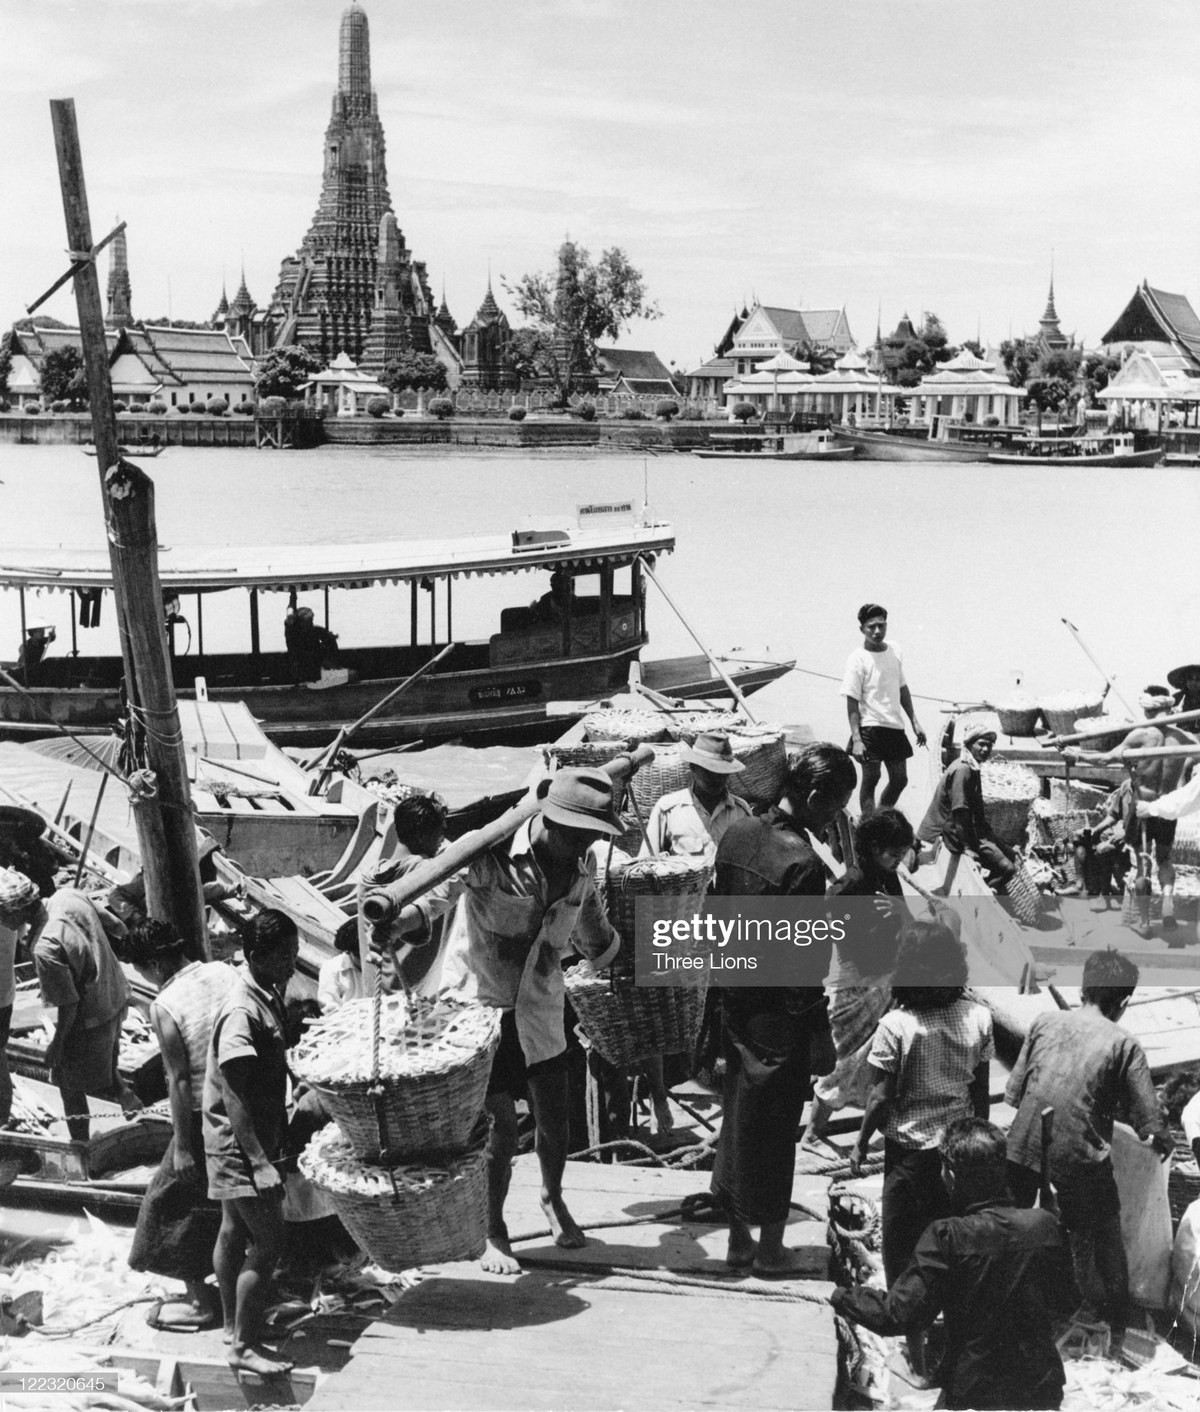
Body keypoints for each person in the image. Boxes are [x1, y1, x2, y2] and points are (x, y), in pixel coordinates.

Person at [370, 769, 623, 1276]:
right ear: (553, 823)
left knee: (556, 1118)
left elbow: (588, 910)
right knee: (500, 1130)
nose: (586, 846)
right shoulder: (490, 854)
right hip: (481, 1009)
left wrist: (609, 951)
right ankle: (493, 1229)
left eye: (593, 837)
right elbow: (439, 894)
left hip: (540, 1005)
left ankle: (552, 1198)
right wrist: (400, 922)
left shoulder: (581, 862)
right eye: (580, 835)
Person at [708, 743, 855, 1276]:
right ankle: (770, 1250)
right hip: (778, 1018)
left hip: (733, 1003)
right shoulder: (803, 863)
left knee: (739, 1118)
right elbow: (806, 964)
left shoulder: (736, 833)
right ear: (815, 797)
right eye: (835, 809)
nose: (835, 820)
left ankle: (737, 1241)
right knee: (774, 1131)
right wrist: (819, 1034)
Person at [832, 1118, 1073, 1411]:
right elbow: (1066, 1303)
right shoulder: (1045, 1225)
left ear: (951, 1176)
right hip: (1041, 1386)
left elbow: (899, 1315)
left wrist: (841, 1296)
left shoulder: (947, 1236)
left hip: (976, 1391)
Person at [1004, 948, 1173, 1353]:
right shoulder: (1124, 1044)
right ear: (1125, 1003)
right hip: (1077, 1161)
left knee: (1009, 1229)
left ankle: (1002, 1311)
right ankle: (1116, 1326)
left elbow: (1015, 1094)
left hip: (1021, 1147)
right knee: (1105, 1237)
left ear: (1082, 988)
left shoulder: (1044, 1021)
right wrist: (1160, 1139)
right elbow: (1149, 1120)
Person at [850, 919, 993, 1380]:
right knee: (951, 1247)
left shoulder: (897, 1025)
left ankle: (917, 1355)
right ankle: (954, 1344)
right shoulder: (979, 1017)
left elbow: (879, 1099)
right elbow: (982, 1092)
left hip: (909, 1156)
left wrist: (858, 1144)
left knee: (905, 1252)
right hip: (958, 1155)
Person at [123, 918, 236, 1332]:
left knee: (167, 1203)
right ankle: (231, 1290)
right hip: (246, 1102)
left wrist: (184, 1144)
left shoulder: (165, 1003)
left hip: (203, 1114)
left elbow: (179, 1077)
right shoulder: (226, 971)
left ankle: (202, 1302)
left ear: (154, 963)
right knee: (229, 1204)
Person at [204, 909, 299, 1377]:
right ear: (257, 955)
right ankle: (242, 1345)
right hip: (240, 1143)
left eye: (295, 953)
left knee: (232, 1229)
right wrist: (259, 1161)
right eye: (284, 956)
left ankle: (234, 1325)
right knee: (269, 1240)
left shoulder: (267, 993)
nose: (292, 964)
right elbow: (235, 1093)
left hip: (244, 1138)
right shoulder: (242, 1008)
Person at [801, 808, 914, 1153]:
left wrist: (898, 915)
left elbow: (906, 920)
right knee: (843, 1058)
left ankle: (877, 1120)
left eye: (902, 852)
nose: (898, 859)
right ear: (874, 847)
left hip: (884, 980)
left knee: (882, 1056)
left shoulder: (888, 877)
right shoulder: (850, 883)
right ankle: (812, 1135)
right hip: (852, 980)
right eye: (892, 851)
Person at [2, 874, 142, 1145]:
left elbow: (69, 1004)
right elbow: (116, 925)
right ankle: (127, 1096)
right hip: (117, 993)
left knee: (67, 1085)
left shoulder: (44, 948)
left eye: (1, 915)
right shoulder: (69, 895)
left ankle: (81, 1148)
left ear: (16, 911)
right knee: (107, 1058)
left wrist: (58, 1043)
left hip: (89, 1015)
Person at [1066, 686, 1196, 938]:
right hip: (1168, 807)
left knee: (1142, 866)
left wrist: (1076, 753)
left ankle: (1145, 922)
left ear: (1148, 710)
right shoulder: (1186, 740)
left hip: (1143, 809)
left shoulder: (1141, 735)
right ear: (1169, 710)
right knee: (1165, 860)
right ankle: (1168, 902)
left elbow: (1104, 759)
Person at [842, 603, 926, 816]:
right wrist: (857, 739)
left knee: (900, 779)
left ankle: (878, 817)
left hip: (894, 725)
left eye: (881, 625)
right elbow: (852, 700)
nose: (877, 631)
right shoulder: (857, 658)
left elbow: (902, 687)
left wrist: (915, 721)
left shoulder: (895, 650)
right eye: (871, 627)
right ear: (862, 629)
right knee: (872, 778)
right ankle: (869, 827)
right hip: (870, 726)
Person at [917, 722, 1018, 893]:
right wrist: (969, 849)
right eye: (981, 744)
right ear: (970, 744)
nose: (985, 749)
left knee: (1011, 855)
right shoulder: (963, 770)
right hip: (954, 833)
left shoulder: (971, 766)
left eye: (989, 745)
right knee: (1008, 868)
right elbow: (960, 813)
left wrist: (1001, 844)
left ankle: (988, 884)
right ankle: (987, 890)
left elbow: (977, 816)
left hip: (967, 830)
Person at [641, 730, 753, 865]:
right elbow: (646, 864)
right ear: (693, 767)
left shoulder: (741, 812)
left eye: (722, 773)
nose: (716, 779)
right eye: (709, 772)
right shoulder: (668, 809)